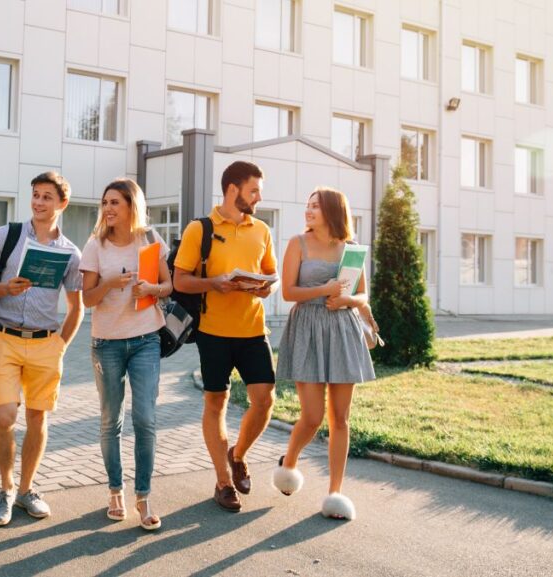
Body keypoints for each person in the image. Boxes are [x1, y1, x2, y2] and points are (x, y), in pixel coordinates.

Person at [0, 171, 84, 526]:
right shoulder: (5, 236)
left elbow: (77, 306)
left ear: (62, 203)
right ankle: (5, 490)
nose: (38, 202)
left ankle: (26, 490)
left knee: (38, 418)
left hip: (44, 344)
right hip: (4, 337)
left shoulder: (70, 253)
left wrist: (60, 346)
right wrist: (6, 289)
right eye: (35, 195)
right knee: (5, 416)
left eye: (46, 197)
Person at [172, 160, 279, 512]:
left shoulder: (261, 230)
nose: (259, 197)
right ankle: (222, 482)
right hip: (213, 333)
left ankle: (238, 455)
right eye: (254, 191)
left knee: (264, 401)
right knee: (215, 404)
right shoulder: (198, 229)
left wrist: (264, 288)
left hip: (252, 330)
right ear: (233, 189)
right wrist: (213, 283)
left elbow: (270, 272)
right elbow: (180, 280)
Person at [271, 186, 376, 521]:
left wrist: (346, 300)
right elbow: (288, 292)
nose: (308, 211)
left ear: (332, 211)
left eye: (315, 206)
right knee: (313, 416)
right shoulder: (297, 244)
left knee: (341, 418)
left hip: (343, 331)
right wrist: (325, 290)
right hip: (308, 329)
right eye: (308, 205)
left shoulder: (351, 250)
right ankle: (289, 463)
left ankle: (335, 492)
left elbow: (363, 295)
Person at [80, 178, 172, 531]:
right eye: (105, 203)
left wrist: (151, 288)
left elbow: (169, 285)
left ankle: (144, 495)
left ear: (132, 205)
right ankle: (115, 489)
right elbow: (86, 299)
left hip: (146, 338)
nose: (107, 209)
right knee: (111, 420)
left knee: (145, 418)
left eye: (115, 202)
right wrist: (109, 285)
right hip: (107, 342)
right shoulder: (95, 246)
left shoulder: (149, 239)